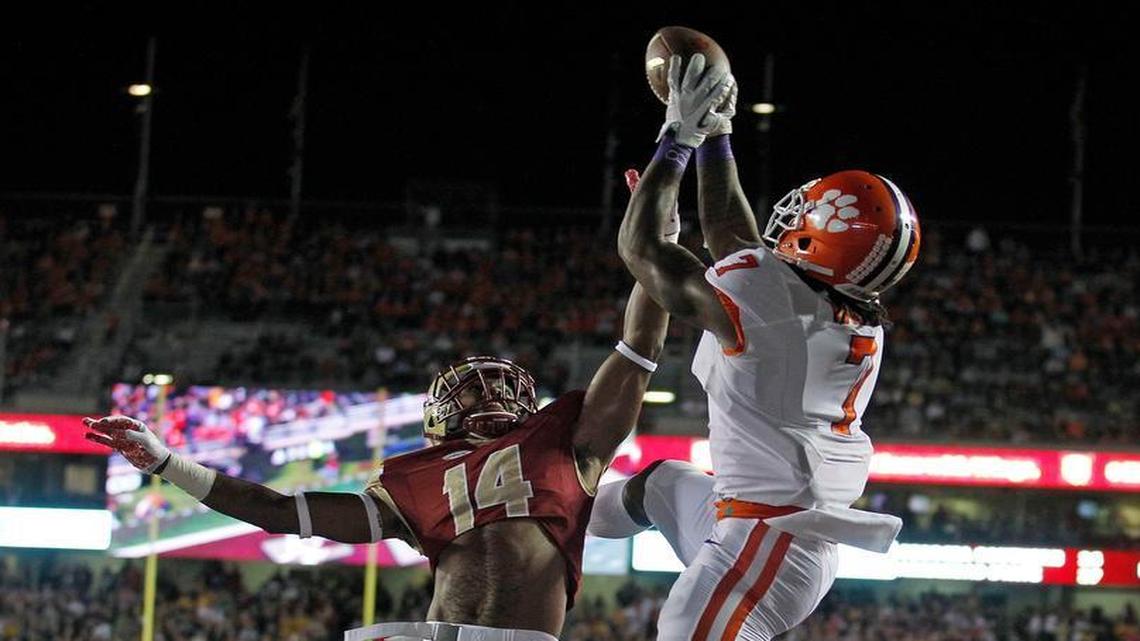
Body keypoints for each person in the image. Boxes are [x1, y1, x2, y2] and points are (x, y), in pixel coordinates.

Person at [84, 250, 675, 641]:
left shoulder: (566, 442)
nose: (484, 397)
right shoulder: (414, 479)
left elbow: (638, 347)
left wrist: (659, 240)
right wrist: (166, 462)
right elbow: (279, 512)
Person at [587, 52, 920, 640]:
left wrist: (678, 138)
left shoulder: (777, 316)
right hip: (757, 520)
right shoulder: (831, 305)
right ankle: (551, 520)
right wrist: (719, 135)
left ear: (827, 241)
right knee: (655, 486)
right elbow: (732, 238)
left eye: (815, 210)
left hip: (764, 545)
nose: (798, 208)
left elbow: (642, 253)